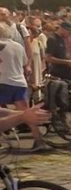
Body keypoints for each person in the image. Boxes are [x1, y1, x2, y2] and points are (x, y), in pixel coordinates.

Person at [0, 22, 48, 151]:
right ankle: (39, 140)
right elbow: (24, 63)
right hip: (19, 82)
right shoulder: (18, 46)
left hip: (3, 82)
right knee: (26, 113)